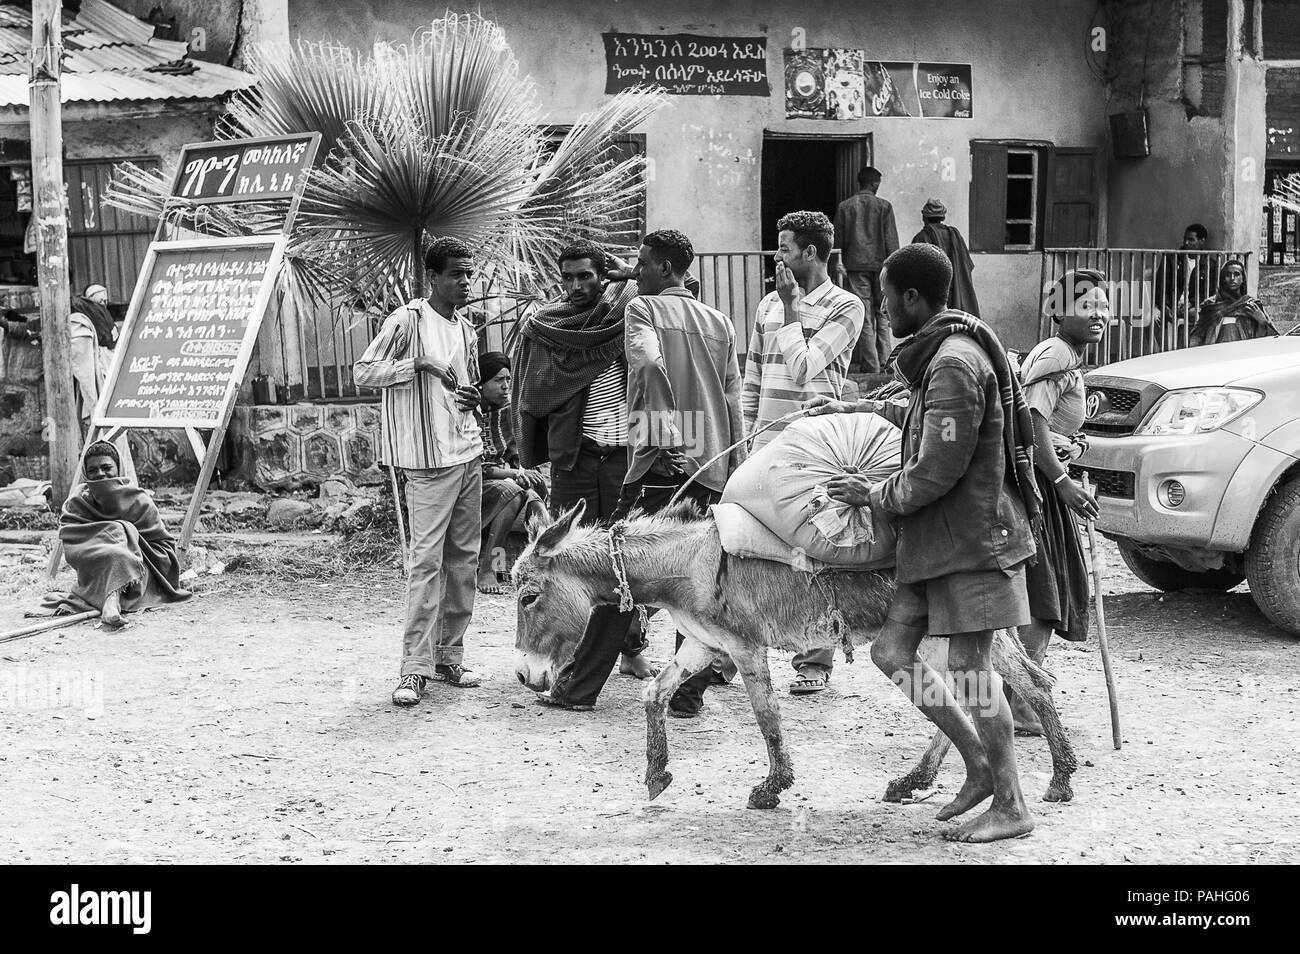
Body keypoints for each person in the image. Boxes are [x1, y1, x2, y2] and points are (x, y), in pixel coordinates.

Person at [806, 242, 1039, 842]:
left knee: (970, 670)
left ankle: (1012, 803)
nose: (881, 310)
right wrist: (851, 406)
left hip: (971, 544)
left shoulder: (955, 364)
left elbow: (939, 466)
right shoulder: (938, 359)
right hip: (933, 545)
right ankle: (978, 763)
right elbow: (919, 417)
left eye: (885, 298)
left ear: (912, 298)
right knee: (891, 653)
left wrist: (873, 495)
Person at [538, 229, 746, 717]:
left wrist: (664, 436)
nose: (637, 273)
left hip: (658, 459)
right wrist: (732, 462)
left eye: (643, 264)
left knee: (620, 574)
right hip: (711, 463)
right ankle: (687, 694)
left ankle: (578, 689)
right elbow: (734, 401)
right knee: (696, 580)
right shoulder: (720, 322)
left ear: (666, 269)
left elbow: (650, 365)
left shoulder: (643, 311)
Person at [511, 241, 656, 680]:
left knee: (625, 559)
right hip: (574, 457)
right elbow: (531, 391)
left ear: (603, 275)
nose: (576, 286)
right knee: (569, 563)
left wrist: (630, 273)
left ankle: (631, 649)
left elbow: (685, 289)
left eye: (586, 276)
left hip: (625, 458)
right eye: (568, 276)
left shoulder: (630, 314)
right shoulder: (548, 326)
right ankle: (567, 651)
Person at [354, 237, 486, 706]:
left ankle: (450, 656)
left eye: (469, 274)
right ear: (432, 277)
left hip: (467, 453)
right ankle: (414, 669)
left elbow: (464, 386)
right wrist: (419, 363)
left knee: (464, 560)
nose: (465, 282)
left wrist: (471, 398)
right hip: (427, 463)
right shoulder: (407, 320)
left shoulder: (466, 329)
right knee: (425, 563)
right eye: (456, 274)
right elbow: (363, 372)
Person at [742, 210, 863, 694]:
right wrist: (749, 437)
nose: (778, 256)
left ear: (811, 253)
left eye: (786, 247)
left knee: (815, 548)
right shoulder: (767, 304)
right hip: (767, 440)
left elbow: (804, 367)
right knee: (751, 544)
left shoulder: (846, 306)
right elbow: (754, 375)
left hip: (815, 445)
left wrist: (793, 310)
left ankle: (814, 659)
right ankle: (735, 654)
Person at [1011, 269, 1104, 733]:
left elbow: (1054, 425)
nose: (1099, 315)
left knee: (1050, 587)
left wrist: (1074, 445)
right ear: (1058, 312)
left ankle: (1021, 694)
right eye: (1087, 306)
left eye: (1104, 307)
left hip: (1047, 478)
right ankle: (1020, 702)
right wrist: (1062, 479)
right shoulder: (1056, 353)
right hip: (1039, 486)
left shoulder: (1069, 356)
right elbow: (1033, 420)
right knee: (1044, 590)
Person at [50, 441, 190, 628]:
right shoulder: (77, 501)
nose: (100, 473)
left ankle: (111, 601)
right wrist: (109, 539)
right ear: (86, 473)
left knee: (121, 539)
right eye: (92, 470)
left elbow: (163, 545)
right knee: (116, 546)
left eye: (106, 467)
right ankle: (111, 600)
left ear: (119, 468)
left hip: (142, 568)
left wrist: (127, 537)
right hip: (98, 565)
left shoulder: (139, 500)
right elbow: (72, 540)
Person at [476, 350, 546, 594]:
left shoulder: (507, 412)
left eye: (508, 380)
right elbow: (477, 468)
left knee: (533, 495)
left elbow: (517, 455)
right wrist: (514, 475)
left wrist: (524, 470)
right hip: (472, 486)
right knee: (513, 492)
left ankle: (543, 569)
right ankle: (488, 568)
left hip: (503, 484)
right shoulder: (468, 413)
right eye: (498, 380)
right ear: (481, 383)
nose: (506, 386)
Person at [833, 166, 899, 374]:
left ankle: (871, 366)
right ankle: (887, 361)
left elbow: (837, 241)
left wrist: (838, 264)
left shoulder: (845, 207)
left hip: (855, 266)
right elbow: (891, 242)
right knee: (883, 313)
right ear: (874, 184)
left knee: (864, 315)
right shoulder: (884, 206)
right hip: (882, 267)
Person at [911, 198, 980, 317]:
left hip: (933, 302)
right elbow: (968, 265)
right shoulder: (955, 236)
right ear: (943, 217)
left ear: (924, 217)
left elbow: (914, 274)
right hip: (958, 296)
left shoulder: (920, 238)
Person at [1189, 260, 1278, 347]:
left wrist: (1262, 321)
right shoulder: (1211, 306)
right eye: (1228, 275)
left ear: (1243, 278)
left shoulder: (1251, 305)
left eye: (1236, 274)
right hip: (1216, 356)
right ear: (1223, 279)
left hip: (1243, 356)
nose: (1232, 278)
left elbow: (1273, 338)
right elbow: (1196, 336)